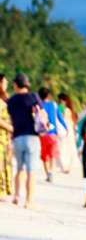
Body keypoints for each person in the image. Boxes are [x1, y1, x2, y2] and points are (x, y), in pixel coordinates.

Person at [6, 73, 43, 209]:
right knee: (31, 171)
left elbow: (10, 116)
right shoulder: (33, 97)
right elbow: (42, 114)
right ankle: (29, 201)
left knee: (19, 169)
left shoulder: (12, 100)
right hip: (32, 137)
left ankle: (16, 196)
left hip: (17, 137)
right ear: (26, 84)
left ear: (16, 85)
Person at [37, 87, 60, 182]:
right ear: (48, 95)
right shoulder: (53, 104)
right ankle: (51, 172)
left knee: (44, 154)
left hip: (42, 133)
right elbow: (60, 117)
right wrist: (65, 127)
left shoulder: (38, 105)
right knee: (52, 154)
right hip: (52, 133)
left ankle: (47, 174)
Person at [57, 91, 78, 174]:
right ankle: (68, 166)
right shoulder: (71, 109)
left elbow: (61, 118)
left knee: (63, 148)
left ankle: (64, 166)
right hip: (70, 130)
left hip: (64, 129)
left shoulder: (62, 108)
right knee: (69, 148)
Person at [0, 75, 13, 204]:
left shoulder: (6, 98)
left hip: (5, 137)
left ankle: (4, 190)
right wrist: (11, 128)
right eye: (4, 81)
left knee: (6, 163)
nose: (7, 83)